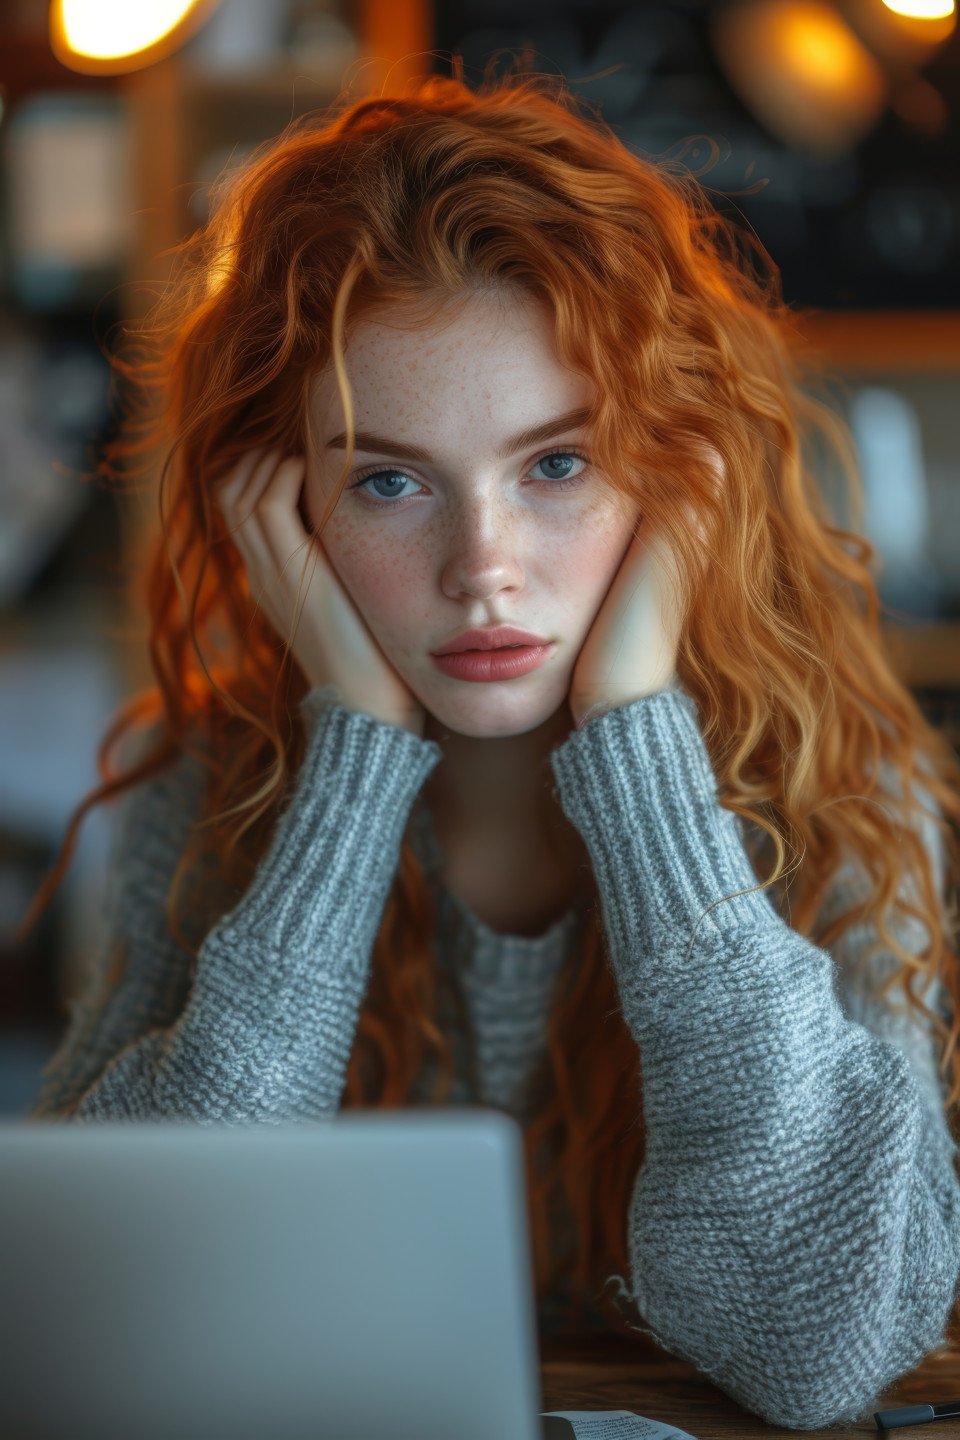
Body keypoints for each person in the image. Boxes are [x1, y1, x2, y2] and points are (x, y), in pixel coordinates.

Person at [16, 63, 960, 1431]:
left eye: (557, 465)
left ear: (680, 469)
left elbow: (821, 1348)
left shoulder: (848, 788)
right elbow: (102, 1302)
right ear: (285, 512)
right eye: (389, 482)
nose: (485, 571)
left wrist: (636, 727)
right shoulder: (221, 788)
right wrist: (347, 759)